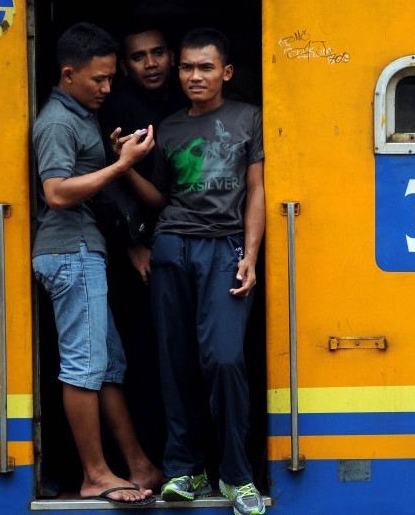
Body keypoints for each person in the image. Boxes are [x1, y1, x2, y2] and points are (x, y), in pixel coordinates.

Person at [119, 27, 266, 515]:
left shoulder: (249, 118)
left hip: (223, 248)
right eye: (186, 67)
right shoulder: (170, 127)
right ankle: (184, 468)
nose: (194, 76)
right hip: (171, 248)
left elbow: (257, 191)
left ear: (226, 72)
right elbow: (163, 200)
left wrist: (250, 254)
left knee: (224, 360)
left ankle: (237, 474)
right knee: (174, 362)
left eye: (205, 67)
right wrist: (125, 166)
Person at [31, 21, 161, 506]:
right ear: (68, 74)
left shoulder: (81, 112)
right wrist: (121, 165)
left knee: (108, 366)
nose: (108, 88)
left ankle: (139, 465)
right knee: (85, 366)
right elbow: (57, 192)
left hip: (87, 250)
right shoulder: (58, 121)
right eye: (98, 79)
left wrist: (110, 156)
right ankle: (94, 474)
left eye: (111, 78)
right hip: (69, 252)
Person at [95, 24, 188, 468]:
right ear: (125, 68)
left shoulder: (187, 99)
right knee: (143, 356)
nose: (150, 63)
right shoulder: (116, 109)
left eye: (157, 53)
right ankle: (149, 457)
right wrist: (132, 245)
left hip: (181, 242)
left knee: (183, 355)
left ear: (172, 55)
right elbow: (107, 186)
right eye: (138, 57)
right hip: (134, 253)